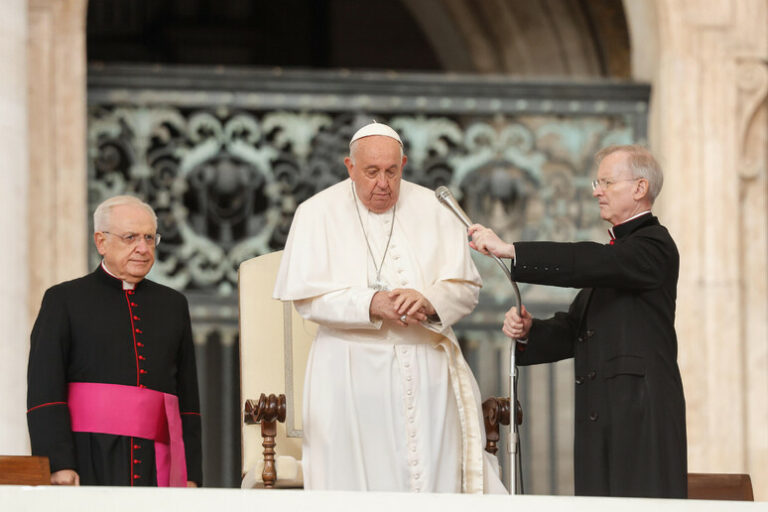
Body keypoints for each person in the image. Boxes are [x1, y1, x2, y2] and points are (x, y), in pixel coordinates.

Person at [273, 122, 505, 493]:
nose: (383, 183)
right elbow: (306, 299)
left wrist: (430, 300)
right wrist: (371, 303)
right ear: (350, 167)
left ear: (404, 165)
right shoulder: (316, 212)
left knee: (431, 479)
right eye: (371, 172)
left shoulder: (436, 207)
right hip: (349, 374)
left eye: (392, 171)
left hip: (427, 370)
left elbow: (466, 290)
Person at [468, 145, 687, 498]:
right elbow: (575, 330)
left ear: (639, 188)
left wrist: (511, 250)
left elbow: (587, 260)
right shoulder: (617, 256)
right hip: (603, 418)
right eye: (595, 183)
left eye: (607, 182)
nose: (597, 191)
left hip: (640, 418)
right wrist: (530, 331)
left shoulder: (653, 246)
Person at [27, 195, 202, 487]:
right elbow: (45, 391)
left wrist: (192, 474)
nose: (143, 248)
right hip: (87, 456)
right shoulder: (64, 300)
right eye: (130, 237)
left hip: (157, 464)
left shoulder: (173, 305)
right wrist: (58, 463)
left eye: (149, 237)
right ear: (101, 241)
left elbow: (188, 401)